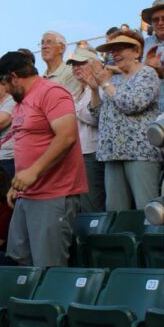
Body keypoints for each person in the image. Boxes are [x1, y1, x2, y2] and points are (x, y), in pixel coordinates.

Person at [0, 50, 88, 267]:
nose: (6, 91)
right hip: (28, 194)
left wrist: (34, 171)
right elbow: (28, 145)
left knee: (48, 267)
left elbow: (67, 137)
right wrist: (17, 182)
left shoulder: (52, 92)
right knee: (20, 260)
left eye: (5, 84)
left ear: (14, 77)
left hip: (54, 193)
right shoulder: (21, 101)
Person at [83, 34, 163, 212]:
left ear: (136, 51)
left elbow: (132, 104)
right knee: (116, 213)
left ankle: (151, 241)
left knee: (146, 209)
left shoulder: (147, 73)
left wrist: (104, 84)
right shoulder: (114, 80)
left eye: (120, 49)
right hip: (112, 154)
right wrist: (95, 90)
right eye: (113, 50)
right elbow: (98, 115)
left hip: (140, 152)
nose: (115, 54)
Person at [66, 45, 106, 212]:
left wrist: (74, 109)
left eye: (80, 63)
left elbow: (95, 118)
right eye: (74, 65)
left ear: (93, 64)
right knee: (77, 204)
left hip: (92, 153)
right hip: (77, 153)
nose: (76, 68)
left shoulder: (101, 88)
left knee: (92, 203)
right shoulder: (75, 92)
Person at [39, 31, 81, 96]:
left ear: (61, 48)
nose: (44, 46)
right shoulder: (40, 80)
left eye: (49, 42)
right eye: (42, 43)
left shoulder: (72, 72)